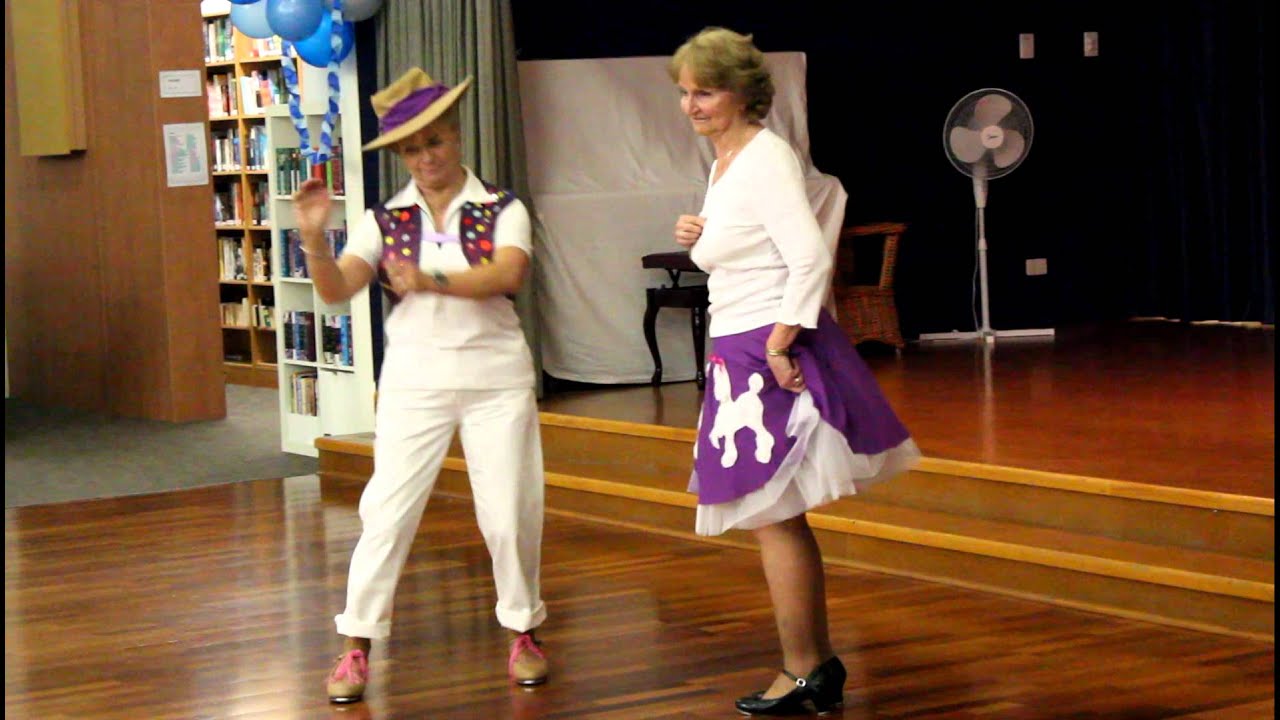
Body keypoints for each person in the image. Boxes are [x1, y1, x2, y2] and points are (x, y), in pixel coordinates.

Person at [668, 28, 921, 716]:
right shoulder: (727, 163)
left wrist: (782, 343)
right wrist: (699, 239)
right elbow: (746, 248)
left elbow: (809, 256)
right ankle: (812, 666)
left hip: (760, 352)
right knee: (773, 517)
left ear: (743, 92)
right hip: (738, 351)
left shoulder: (764, 158)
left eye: (706, 91)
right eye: (685, 92)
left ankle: (806, 667)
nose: (691, 105)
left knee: (773, 515)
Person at [293, 67, 549, 704]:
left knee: (509, 511)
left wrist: (429, 278)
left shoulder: (502, 205)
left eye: (434, 142)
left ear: (456, 138)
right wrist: (314, 242)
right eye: (411, 148)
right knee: (387, 513)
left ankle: (522, 632)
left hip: (496, 376)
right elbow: (335, 290)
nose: (425, 157)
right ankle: (356, 644)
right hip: (415, 379)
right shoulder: (385, 219)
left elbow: (507, 274)